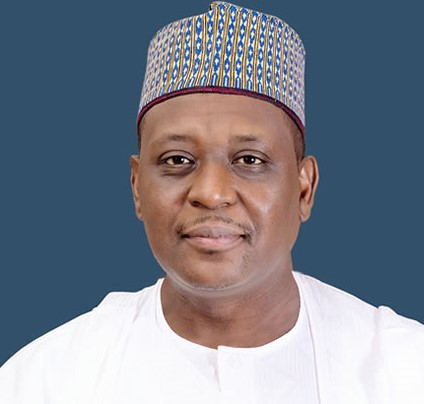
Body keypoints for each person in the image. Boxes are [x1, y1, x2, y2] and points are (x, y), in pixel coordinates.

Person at [1, 1, 423, 403]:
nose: (211, 192)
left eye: (250, 160)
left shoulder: (405, 369)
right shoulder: (45, 381)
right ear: (136, 187)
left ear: (304, 189)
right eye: (177, 160)